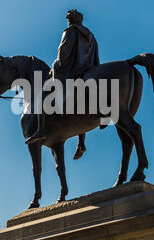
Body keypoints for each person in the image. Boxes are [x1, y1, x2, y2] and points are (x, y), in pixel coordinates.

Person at [25, 9, 100, 160]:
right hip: (87, 72)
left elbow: (63, 54)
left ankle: (40, 130)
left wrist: (55, 66)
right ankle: (81, 143)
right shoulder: (91, 36)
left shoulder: (70, 32)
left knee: (43, 94)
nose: (68, 22)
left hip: (71, 73)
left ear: (71, 20)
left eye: (68, 20)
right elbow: (96, 57)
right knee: (81, 108)